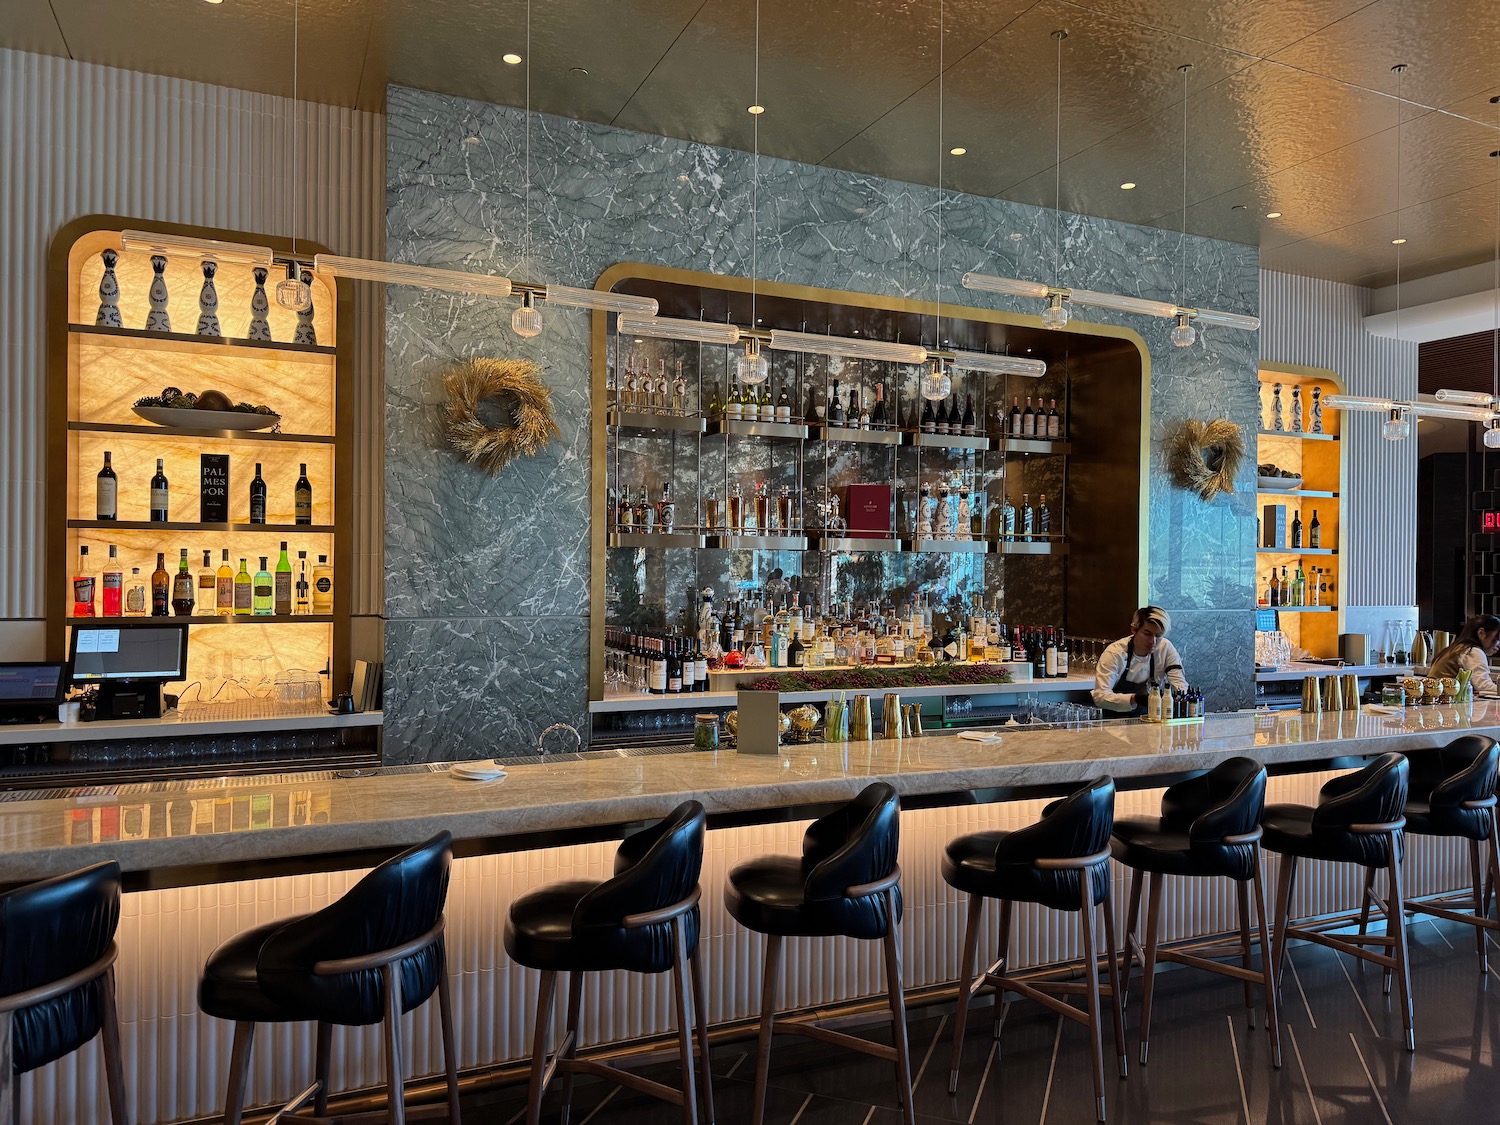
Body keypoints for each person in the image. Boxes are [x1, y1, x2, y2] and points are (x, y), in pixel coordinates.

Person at [1093, 605, 1188, 715]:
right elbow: (1100, 697)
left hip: (1152, 719)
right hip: (1114, 723)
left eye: (1159, 636)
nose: (1153, 641)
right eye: (1147, 634)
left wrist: (1183, 697)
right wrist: (1134, 698)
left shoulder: (1166, 648)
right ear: (1134, 629)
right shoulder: (1114, 653)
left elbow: (1178, 682)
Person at [1428, 615, 1500, 698]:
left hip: (1434, 698)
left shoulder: (1457, 648)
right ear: (1481, 633)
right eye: (1498, 638)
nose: (1499, 644)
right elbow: (1484, 686)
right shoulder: (1472, 651)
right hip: (1445, 702)